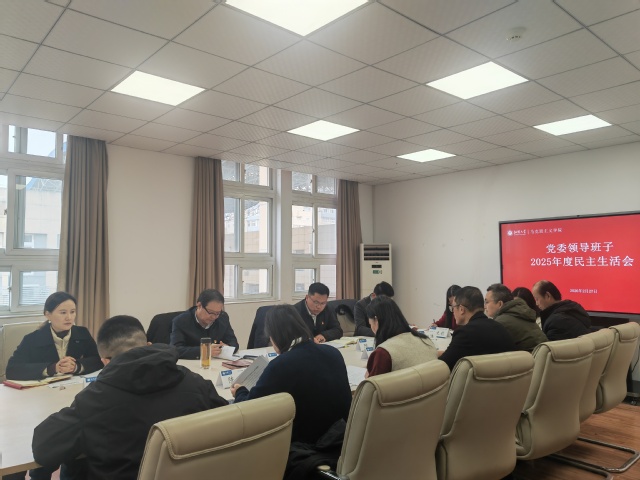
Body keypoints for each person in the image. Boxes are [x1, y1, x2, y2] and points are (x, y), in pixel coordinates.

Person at [32, 315, 228, 480]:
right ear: (148, 345)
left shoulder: (94, 399)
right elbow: (227, 425)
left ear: (105, 361)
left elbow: (43, 448)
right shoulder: (193, 381)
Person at [231, 305, 352, 478]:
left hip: (306, 450)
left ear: (275, 336)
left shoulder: (282, 365)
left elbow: (251, 409)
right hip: (341, 440)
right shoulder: (333, 352)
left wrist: (240, 391)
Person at [6, 291, 102, 380]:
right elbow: (12, 370)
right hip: (43, 389)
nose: (69, 317)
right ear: (48, 315)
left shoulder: (82, 333)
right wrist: (52, 368)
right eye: (63, 313)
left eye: (72, 312)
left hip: (73, 385)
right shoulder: (32, 339)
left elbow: (99, 360)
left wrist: (76, 366)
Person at [439, 286, 516, 371]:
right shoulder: (500, 328)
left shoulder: (465, 333)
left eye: (453, 307)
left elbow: (442, 366)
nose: (452, 311)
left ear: (461, 309)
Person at [365, 296, 438, 377]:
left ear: (376, 320)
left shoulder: (383, 353)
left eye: (370, 324)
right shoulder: (426, 341)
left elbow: (372, 384)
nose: (371, 328)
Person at [170, 288, 239, 359]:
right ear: (199, 305)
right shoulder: (181, 321)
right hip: (192, 363)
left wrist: (227, 348)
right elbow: (175, 350)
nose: (214, 317)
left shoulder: (222, 317)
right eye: (211, 312)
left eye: (217, 313)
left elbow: (234, 343)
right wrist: (205, 351)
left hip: (217, 362)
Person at [485, 284, 547, 352]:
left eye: (487, 302)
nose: (484, 306)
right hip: (542, 355)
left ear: (500, 304)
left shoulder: (500, 322)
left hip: (530, 357)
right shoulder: (519, 313)